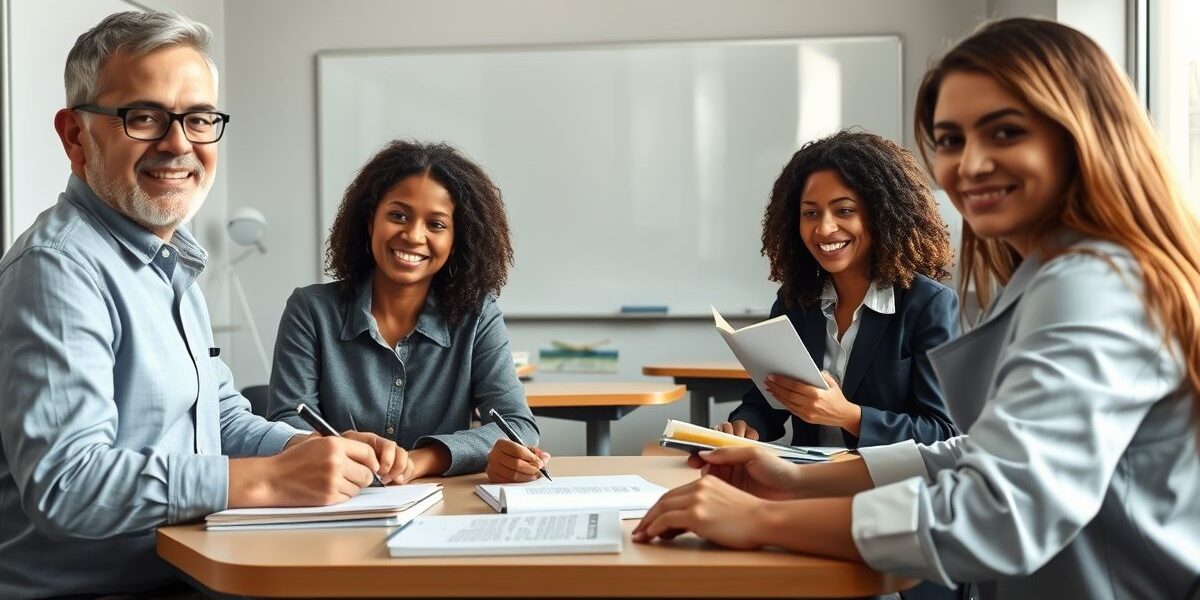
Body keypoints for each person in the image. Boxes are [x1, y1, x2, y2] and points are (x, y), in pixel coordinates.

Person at [634, 17, 1200, 599]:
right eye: (951, 140)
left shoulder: (1089, 287)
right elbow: (977, 452)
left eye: (1005, 132)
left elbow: (997, 512)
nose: (969, 164)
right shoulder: (1063, 275)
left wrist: (758, 520)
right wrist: (797, 480)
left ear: (1085, 133)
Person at [0, 12, 406, 598]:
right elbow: (68, 484)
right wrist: (267, 481)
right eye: (143, 117)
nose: (179, 144)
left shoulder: (170, 261)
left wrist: (306, 450)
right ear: (74, 137)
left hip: (190, 569)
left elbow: (214, 417)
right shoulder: (59, 269)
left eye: (198, 119)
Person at [266, 139, 549, 484]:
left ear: (457, 239)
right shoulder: (310, 310)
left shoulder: (477, 316)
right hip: (333, 507)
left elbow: (518, 426)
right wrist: (343, 455)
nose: (414, 236)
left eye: (436, 224)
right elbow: (285, 424)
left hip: (441, 513)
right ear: (371, 222)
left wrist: (422, 460)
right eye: (398, 215)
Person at [720, 130, 959, 450]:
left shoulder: (929, 305)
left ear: (882, 214)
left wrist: (849, 416)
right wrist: (744, 427)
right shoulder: (795, 300)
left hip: (886, 488)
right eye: (810, 213)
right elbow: (765, 404)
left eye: (844, 210)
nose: (824, 228)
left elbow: (945, 432)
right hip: (803, 481)